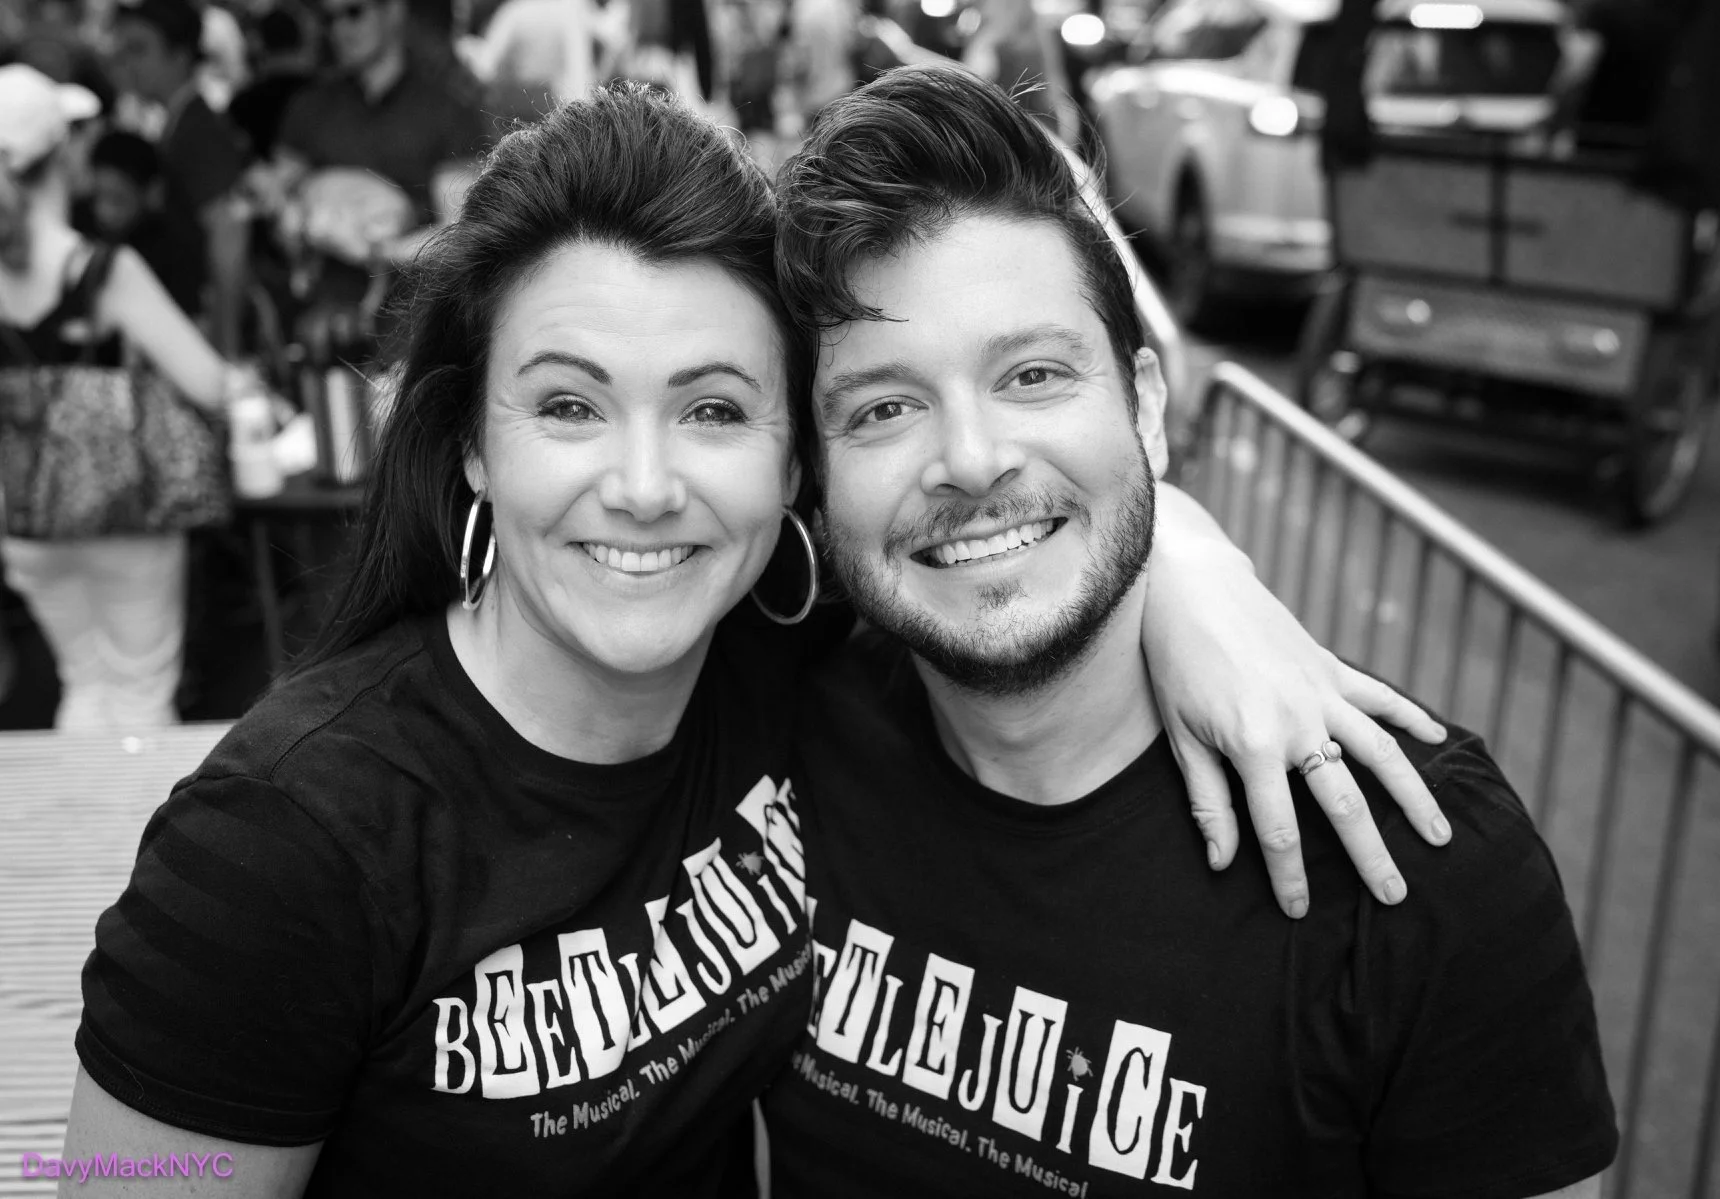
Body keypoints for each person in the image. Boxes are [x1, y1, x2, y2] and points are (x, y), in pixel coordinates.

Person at [59, 81, 1450, 1194]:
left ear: (792, 463)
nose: (649, 483)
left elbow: (1014, 522)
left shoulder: (778, 658)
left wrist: (1196, 574)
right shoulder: (279, 845)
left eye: (715, 408)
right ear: (470, 444)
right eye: (567, 405)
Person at [760, 64, 1617, 1196]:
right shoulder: (772, 709)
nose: (968, 459)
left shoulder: (1412, 860)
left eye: (1031, 374)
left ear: (1148, 405)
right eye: (883, 407)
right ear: (812, 483)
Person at [0, 64, 248, 730]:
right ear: (62, 154)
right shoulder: (105, 270)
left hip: (24, 517)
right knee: (141, 692)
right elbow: (208, 383)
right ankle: (135, 832)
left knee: (82, 683)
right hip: (122, 512)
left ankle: (81, 827)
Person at [109, 0, 251, 353]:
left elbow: (229, 234)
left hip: (207, 323)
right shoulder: (178, 123)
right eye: (123, 49)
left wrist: (224, 344)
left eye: (139, 49)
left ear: (181, 54)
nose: (128, 62)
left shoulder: (197, 129)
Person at [78, 128, 203, 315]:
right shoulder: (80, 231)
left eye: (118, 200)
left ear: (153, 193)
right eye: (97, 196)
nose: (104, 212)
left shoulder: (175, 255)